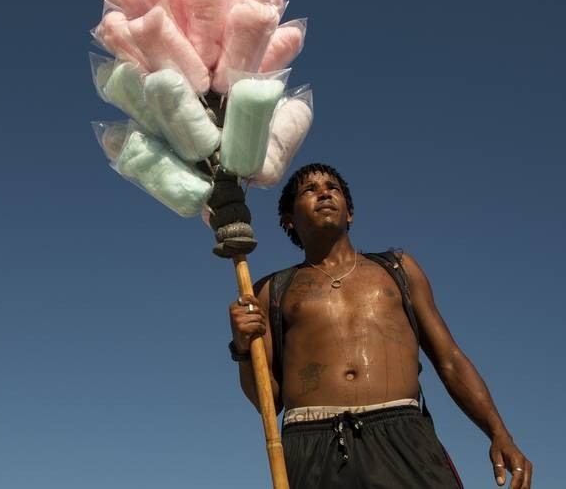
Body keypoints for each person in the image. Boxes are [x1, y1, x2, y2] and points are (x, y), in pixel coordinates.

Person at [228, 163, 532, 489]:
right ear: (289, 219)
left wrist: (498, 431)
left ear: (350, 214)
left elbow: (450, 360)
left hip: (402, 436)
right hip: (312, 445)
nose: (324, 194)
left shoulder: (397, 269)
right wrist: (244, 348)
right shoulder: (270, 291)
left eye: (333, 188)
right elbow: (268, 402)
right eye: (310, 190)